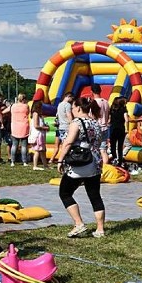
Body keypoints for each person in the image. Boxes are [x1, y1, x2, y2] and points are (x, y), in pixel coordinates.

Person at [58, 97, 106, 238]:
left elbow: (68, 142)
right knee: (95, 195)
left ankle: (79, 224)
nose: (72, 110)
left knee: (65, 193)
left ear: (78, 108)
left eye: (73, 107)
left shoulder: (77, 123)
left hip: (80, 162)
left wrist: (60, 160)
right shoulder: (95, 123)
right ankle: (100, 229)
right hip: (95, 162)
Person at [90, 84, 111, 165]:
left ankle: (95, 166)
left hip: (96, 128)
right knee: (103, 149)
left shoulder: (94, 103)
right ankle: (105, 167)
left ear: (92, 92)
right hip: (104, 127)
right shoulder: (106, 102)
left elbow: (92, 117)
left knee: (94, 148)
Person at [9, 94, 30, 167]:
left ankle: (12, 161)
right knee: (24, 146)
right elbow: (28, 114)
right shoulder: (26, 106)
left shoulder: (13, 106)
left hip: (14, 126)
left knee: (14, 145)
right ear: (24, 99)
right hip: (24, 126)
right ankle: (24, 161)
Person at [53, 92, 74, 164]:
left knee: (60, 145)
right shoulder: (67, 105)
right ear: (69, 97)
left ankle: (56, 159)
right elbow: (69, 115)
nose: (72, 100)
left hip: (60, 127)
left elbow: (57, 116)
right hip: (66, 127)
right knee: (66, 145)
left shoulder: (59, 104)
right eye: (72, 98)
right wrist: (72, 124)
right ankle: (64, 160)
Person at [109, 96, 130, 165]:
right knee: (120, 146)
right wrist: (127, 129)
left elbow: (109, 120)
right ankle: (119, 161)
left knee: (113, 145)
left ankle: (113, 158)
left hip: (113, 128)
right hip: (121, 128)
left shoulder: (112, 109)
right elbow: (127, 120)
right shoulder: (123, 109)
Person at [30, 100, 49, 171]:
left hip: (41, 134)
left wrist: (44, 126)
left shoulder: (39, 114)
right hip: (38, 134)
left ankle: (45, 165)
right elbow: (36, 125)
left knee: (42, 150)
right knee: (37, 150)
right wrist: (45, 128)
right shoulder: (35, 113)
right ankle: (35, 165)